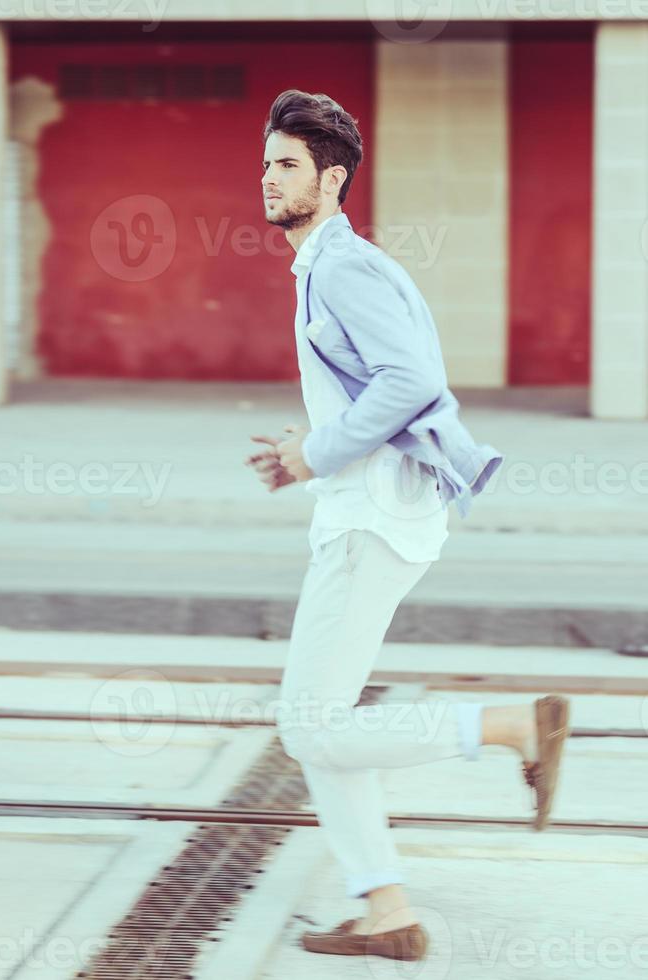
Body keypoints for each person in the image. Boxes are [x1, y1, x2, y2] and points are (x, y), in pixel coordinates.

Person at [244, 88, 570, 963]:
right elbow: (375, 386)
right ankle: (385, 910)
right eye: (267, 162)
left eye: (286, 164)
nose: (267, 178)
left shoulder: (345, 267)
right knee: (322, 719)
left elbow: (409, 381)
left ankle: (508, 728)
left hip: (371, 518)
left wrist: (315, 453)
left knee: (309, 725)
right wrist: (306, 449)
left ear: (332, 177)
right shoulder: (323, 266)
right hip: (365, 511)